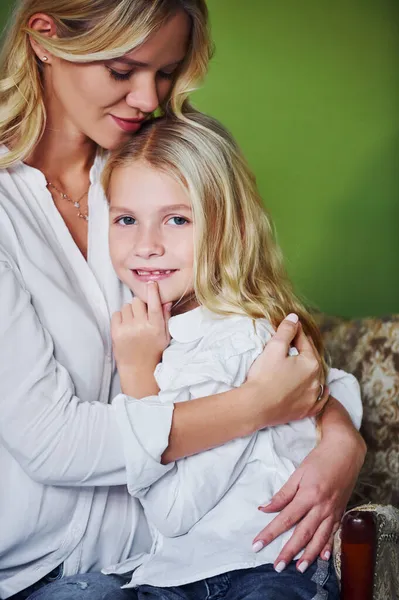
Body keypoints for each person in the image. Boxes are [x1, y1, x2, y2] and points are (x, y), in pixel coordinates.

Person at [0, 1, 365, 599]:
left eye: (165, 73)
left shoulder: (143, 174)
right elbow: (53, 443)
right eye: (123, 70)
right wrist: (256, 405)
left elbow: (247, 336)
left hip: (160, 562)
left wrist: (339, 436)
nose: (147, 98)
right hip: (41, 572)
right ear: (44, 39)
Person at [100, 113, 362, 600]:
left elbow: (173, 512)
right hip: (179, 571)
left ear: (231, 228)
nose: (147, 245)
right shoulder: (167, 323)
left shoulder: (236, 342)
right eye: (126, 219)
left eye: (177, 219)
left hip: (259, 570)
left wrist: (138, 374)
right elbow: (334, 384)